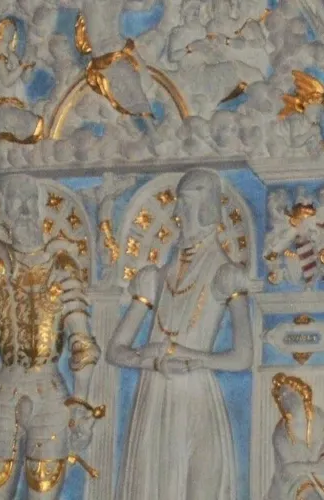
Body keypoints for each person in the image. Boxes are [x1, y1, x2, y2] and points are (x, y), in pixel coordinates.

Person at [108, 168, 254, 500]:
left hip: (197, 395)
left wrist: (189, 357)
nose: (177, 213)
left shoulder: (226, 274)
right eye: (179, 204)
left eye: (186, 203)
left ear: (207, 208)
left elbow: (243, 357)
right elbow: (115, 350)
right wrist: (152, 361)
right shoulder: (155, 278)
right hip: (155, 394)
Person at [0, 175, 103, 499]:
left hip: (49, 389)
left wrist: (80, 406)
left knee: (44, 488)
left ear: (39, 207)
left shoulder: (62, 268)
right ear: (2, 211)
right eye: (13, 201)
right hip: (2, 390)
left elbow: (82, 346)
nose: (22, 210)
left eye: (27, 200)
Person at [265, 373, 324, 500]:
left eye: (289, 394)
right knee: (310, 495)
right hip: (295, 483)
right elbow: (290, 470)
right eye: (282, 398)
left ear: (301, 393)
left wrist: (321, 462)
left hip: (322, 472)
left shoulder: (317, 416)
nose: (286, 400)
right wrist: (309, 469)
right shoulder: (281, 432)